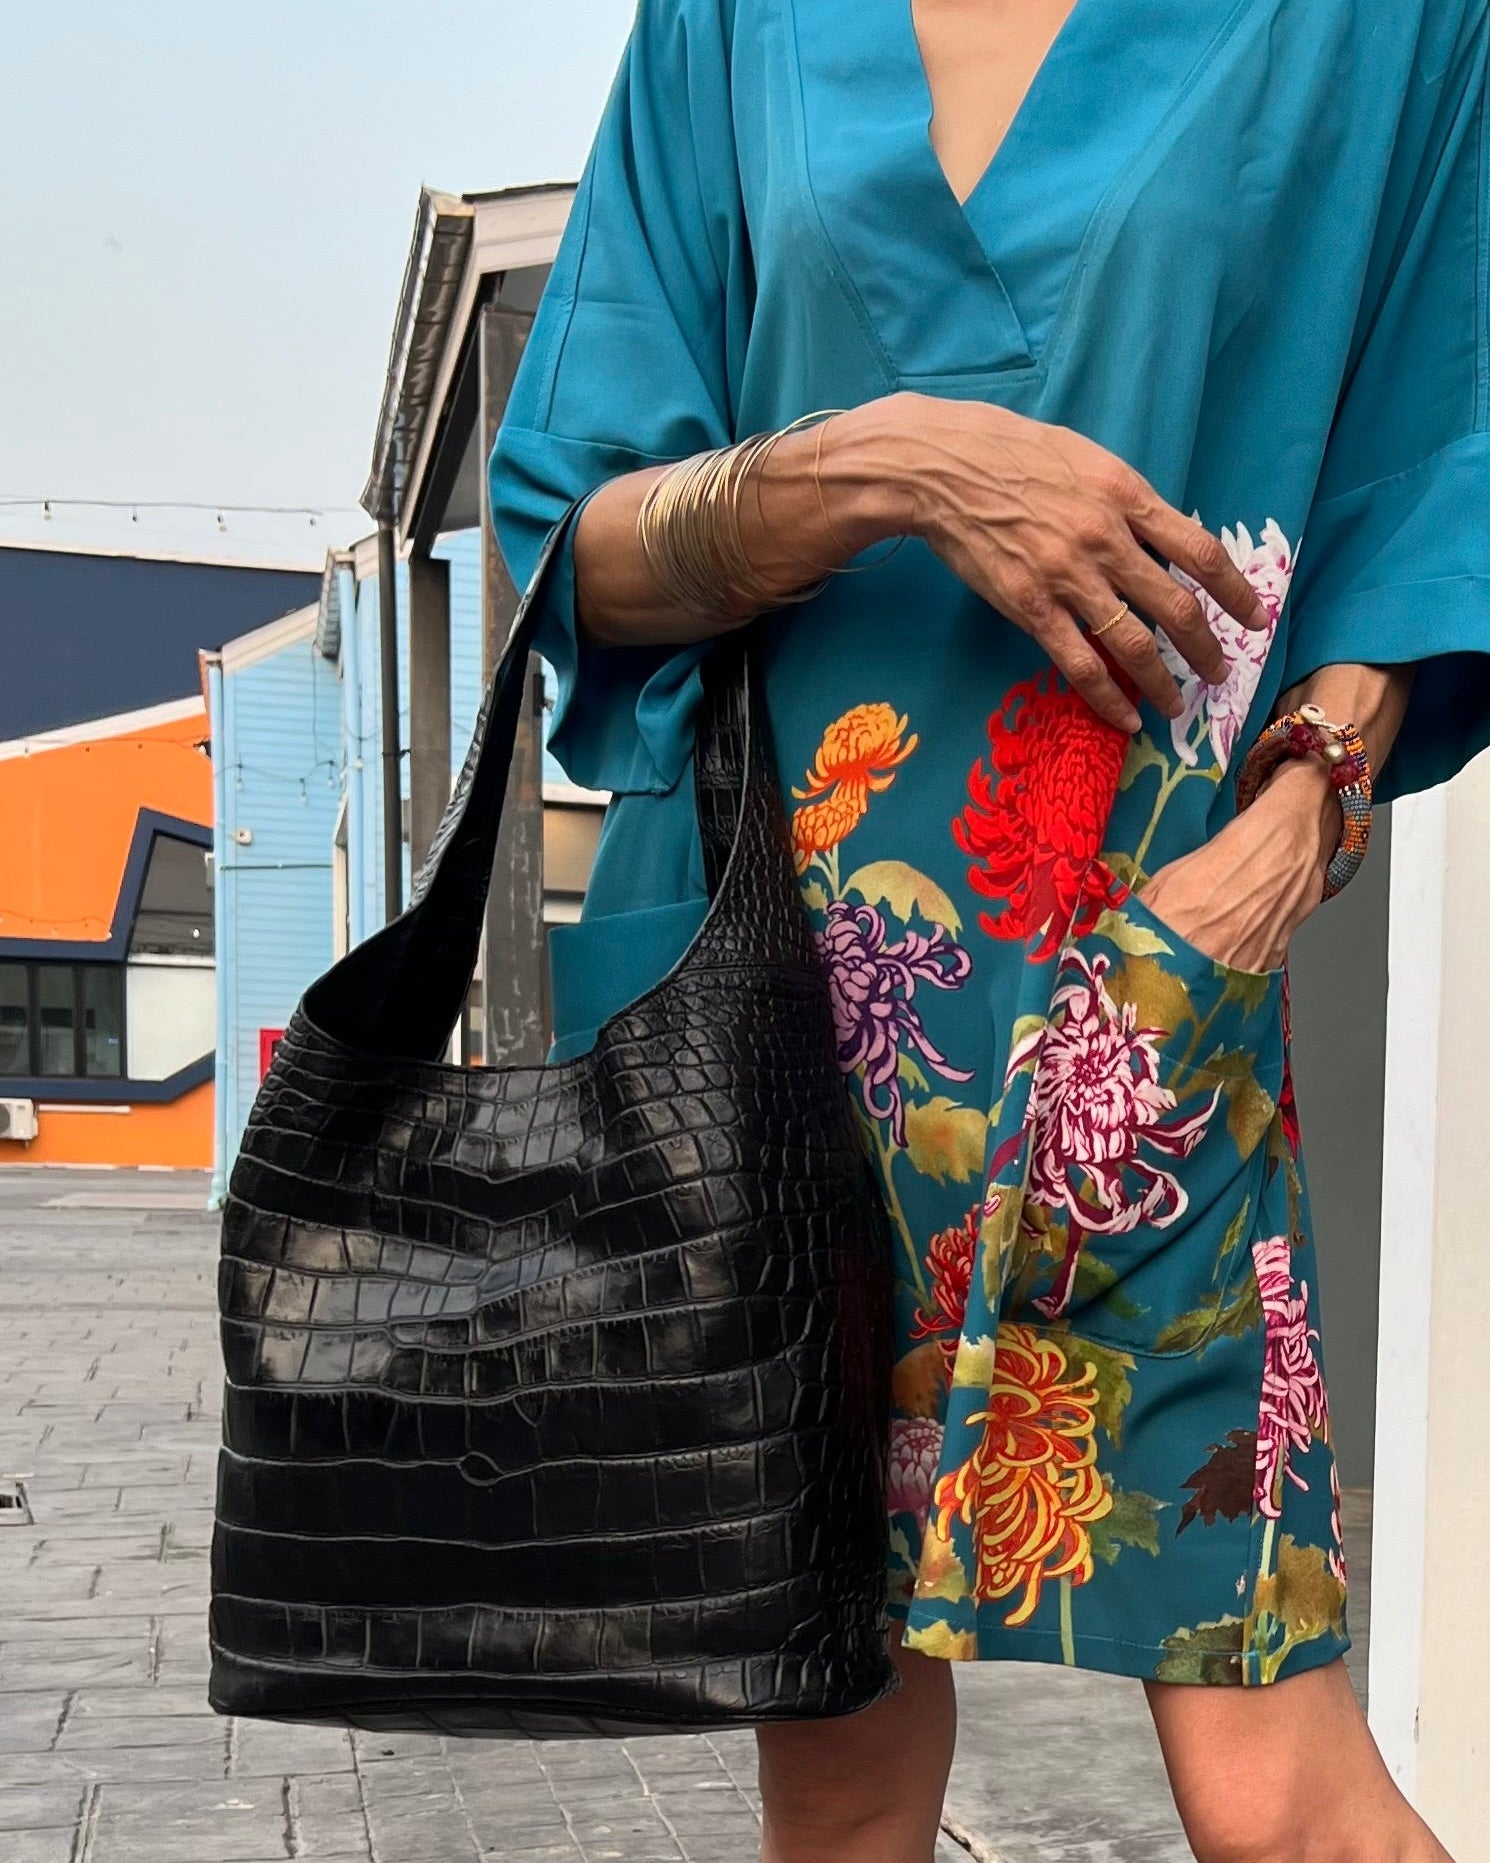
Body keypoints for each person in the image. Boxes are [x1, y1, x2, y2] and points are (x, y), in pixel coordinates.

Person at [487, 2, 1490, 1857]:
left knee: (1282, 1799)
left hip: (1147, 1013)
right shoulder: (737, 23)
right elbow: (576, 542)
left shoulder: (1387, 25)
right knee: (841, 1786)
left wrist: (1291, 831)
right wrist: (890, 464)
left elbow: (1450, 458)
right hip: (775, 1012)